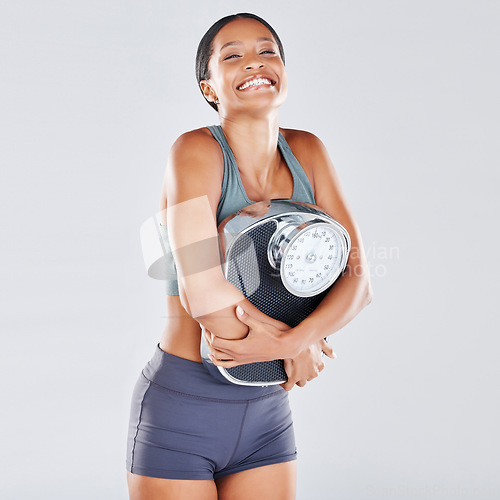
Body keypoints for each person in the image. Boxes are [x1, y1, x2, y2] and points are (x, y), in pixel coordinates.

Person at [126, 12, 373, 500]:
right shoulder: (193, 151)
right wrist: (297, 347)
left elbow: (359, 279)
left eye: (267, 51)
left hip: (267, 417)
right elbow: (204, 295)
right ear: (209, 88)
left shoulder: (308, 151)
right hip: (183, 407)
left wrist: (296, 341)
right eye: (232, 56)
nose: (255, 64)